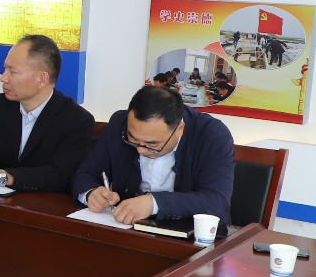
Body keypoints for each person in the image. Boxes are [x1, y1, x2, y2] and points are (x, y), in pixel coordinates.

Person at [70, 84, 235, 228]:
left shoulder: (212, 135)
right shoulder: (119, 124)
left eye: (152, 144)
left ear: (180, 129)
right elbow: (86, 173)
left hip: (191, 238)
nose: (140, 150)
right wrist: (91, 193)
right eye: (132, 139)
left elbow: (217, 202)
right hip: (127, 230)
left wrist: (154, 203)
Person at [0, 34, 95, 193]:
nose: (3, 78)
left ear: (41, 79)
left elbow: (58, 176)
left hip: (41, 204)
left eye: (13, 71)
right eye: (5, 69)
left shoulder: (76, 120)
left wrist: (0, 177)